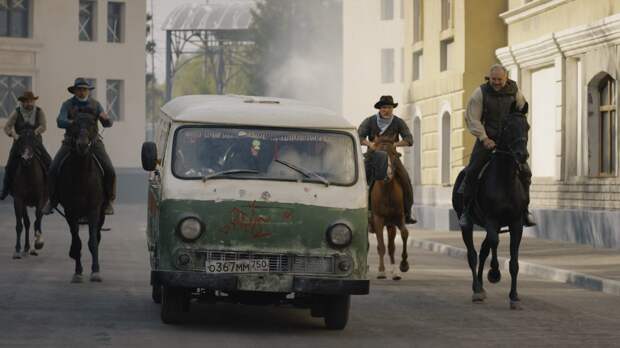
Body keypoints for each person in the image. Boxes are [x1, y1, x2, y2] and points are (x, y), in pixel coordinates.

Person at [460, 64, 536, 227]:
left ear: (506, 78)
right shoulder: (480, 93)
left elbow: (521, 110)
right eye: (493, 79)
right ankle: (466, 211)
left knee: (526, 173)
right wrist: (484, 138)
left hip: (508, 143)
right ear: (489, 78)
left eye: (499, 79)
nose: (496, 82)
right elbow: (472, 118)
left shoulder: (514, 90)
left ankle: (525, 211)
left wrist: (518, 126)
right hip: (487, 140)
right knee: (472, 171)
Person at [42, 78, 115, 215]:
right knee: (52, 169)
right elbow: (60, 121)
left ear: (88, 91)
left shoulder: (96, 105)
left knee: (110, 169)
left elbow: (106, 122)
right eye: (79, 89)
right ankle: (52, 200)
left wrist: (107, 120)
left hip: (93, 142)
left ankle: (109, 201)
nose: (82, 92)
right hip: (70, 142)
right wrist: (72, 123)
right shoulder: (67, 105)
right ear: (74, 91)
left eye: (84, 89)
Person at [358, 95, 416, 224]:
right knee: (362, 182)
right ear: (379, 109)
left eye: (389, 107)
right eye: (384, 107)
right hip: (373, 157)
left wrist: (395, 145)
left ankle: (407, 213)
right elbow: (359, 136)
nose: (387, 110)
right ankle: (364, 212)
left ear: (392, 108)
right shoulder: (369, 121)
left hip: (392, 158)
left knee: (406, 180)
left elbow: (409, 139)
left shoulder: (398, 122)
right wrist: (370, 145)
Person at [0, 91, 51, 200]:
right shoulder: (16, 112)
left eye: (31, 101)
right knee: (10, 165)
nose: (29, 103)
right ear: (22, 102)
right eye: (26, 101)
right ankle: (5, 189)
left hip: (35, 143)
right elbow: (7, 127)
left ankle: (50, 191)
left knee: (49, 162)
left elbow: (43, 126)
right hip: (19, 144)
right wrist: (14, 135)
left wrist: (35, 133)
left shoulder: (39, 111)